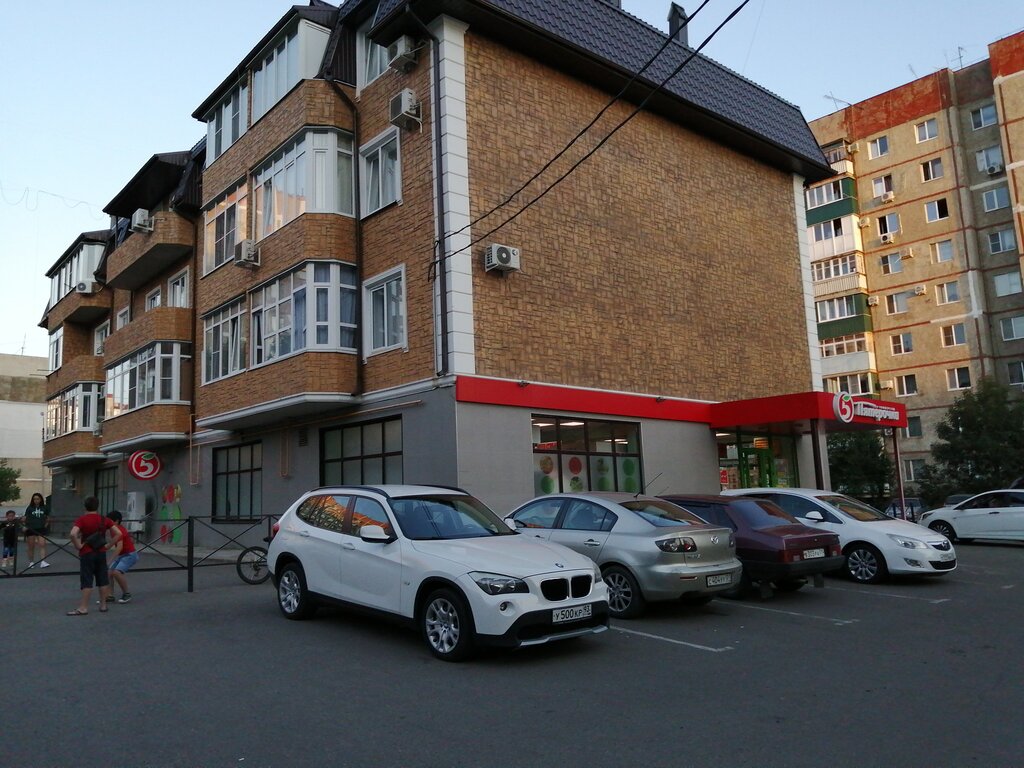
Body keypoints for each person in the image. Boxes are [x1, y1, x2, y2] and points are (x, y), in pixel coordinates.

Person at [67, 496, 121, 616]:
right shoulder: (104, 519)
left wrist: (78, 545)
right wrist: (108, 545)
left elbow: (73, 534)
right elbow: (118, 533)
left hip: (87, 552)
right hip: (101, 551)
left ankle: (84, 607)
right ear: (97, 506)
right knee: (102, 578)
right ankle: (103, 605)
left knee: (87, 579)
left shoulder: (82, 520)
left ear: (85, 506)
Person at [105, 510, 137, 603]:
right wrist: (106, 547)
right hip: (123, 555)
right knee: (109, 572)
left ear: (116, 521)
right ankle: (110, 595)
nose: (107, 523)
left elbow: (119, 547)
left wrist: (110, 561)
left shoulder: (119, 530)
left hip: (129, 555)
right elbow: (113, 543)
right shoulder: (113, 530)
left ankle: (126, 594)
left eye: (109, 521)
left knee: (116, 572)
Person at [23, 493, 49, 568]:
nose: (36, 500)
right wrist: (25, 526)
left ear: (40, 499)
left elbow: (48, 517)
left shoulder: (44, 507)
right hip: (31, 528)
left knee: (42, 544)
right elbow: (25, 517)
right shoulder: (30, 508)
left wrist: (45, 525)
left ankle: (43, 561)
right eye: (34, 499)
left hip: (41, 528)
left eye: (37, 499)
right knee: (31, 546)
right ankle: (31, 562)